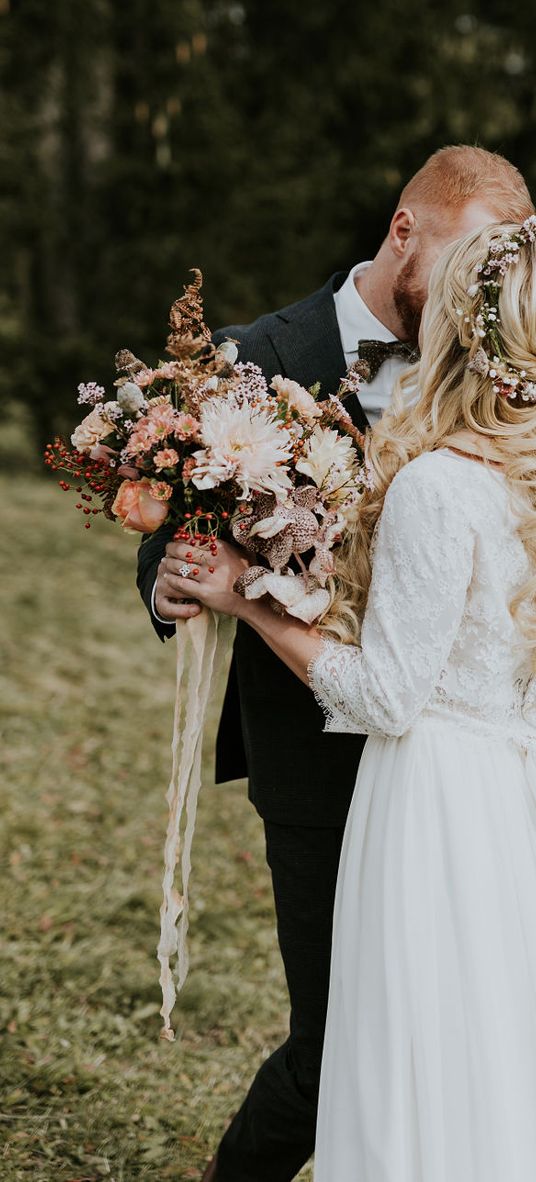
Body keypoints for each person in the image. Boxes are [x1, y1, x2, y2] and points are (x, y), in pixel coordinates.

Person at [137, 148, 534, 1182]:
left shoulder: (493, 410)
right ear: (404, 229)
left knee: (457, 1041)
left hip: (457, 765)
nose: (471, 293)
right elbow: (180, 519)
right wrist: (177, 582)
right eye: (461, 262)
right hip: (317, 766)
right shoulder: (255, 358)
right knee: (335, 1050)